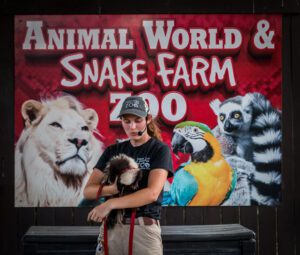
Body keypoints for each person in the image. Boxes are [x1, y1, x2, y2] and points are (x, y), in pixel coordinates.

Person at [83, 96, 173, 255]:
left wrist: (110, 204)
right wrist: (112, 189)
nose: (132, 126)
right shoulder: (113, 151)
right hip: (111, 229)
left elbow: (152, 193)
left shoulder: (159, 150)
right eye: (126, 121)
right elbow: (88, 190)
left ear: (148, 119)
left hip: (143, 231)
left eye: (138, 120)